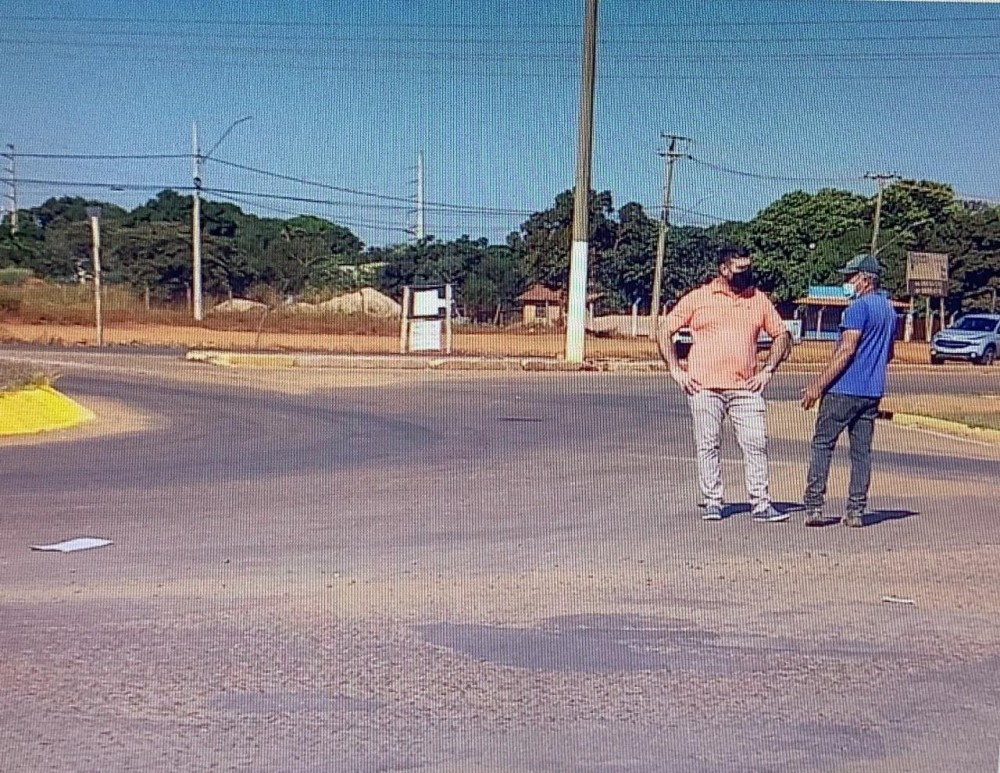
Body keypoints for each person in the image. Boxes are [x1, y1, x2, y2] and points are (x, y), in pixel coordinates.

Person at [658, 245, 792, 522]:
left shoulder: (757, 299)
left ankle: (761, 503)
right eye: (740, 269)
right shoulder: (698, 298)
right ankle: (713, 501)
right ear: (724, 269)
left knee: (756, 443)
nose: (747, 274)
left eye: (749, 267)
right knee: (708, 444)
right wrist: (676, 369)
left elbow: (781, 335)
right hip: (704, 387)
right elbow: (665, 330)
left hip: (745, 388)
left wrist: (767, 370)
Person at [800, 253, 897, 528]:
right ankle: (856, 511)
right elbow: (889, 353)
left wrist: (817, 386)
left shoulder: (857, 309)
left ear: (865, 280)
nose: (846, 282)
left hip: (843, 389)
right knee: (861, 453)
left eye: (850, 277)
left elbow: (845, 350)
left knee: (822, 444)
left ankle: (814, 506)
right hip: (872, 391)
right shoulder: (889, 310)